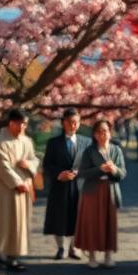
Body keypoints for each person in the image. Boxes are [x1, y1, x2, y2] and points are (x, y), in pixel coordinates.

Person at [0, 109, 39, 272]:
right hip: (6, 190)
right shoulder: (0, 142)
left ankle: (10, 255)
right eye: (20, 123)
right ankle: (1, 253)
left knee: (19, 223)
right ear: (11, 123)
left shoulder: (27, 141)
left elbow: (34, 159)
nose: (23, 127)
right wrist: (17, 183)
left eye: (25, 124)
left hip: (24, 188)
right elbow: (2, 167)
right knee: (5, 222)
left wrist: (29, 165)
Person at [74, 119, 126, 269]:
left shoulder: (116, 150)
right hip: (92, 192)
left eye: (106, 131)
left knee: (109, 223)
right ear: (95, 135)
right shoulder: (89, 151)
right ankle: (91, 256)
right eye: (100, 132)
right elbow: (82, 173)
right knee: (92, 223)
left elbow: (123, 173)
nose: (103, 134)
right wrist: (100, 169)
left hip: (110, 190)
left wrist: (114, 170)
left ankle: (108, 256)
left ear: (110, 133)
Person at [42, 108, 89, 260]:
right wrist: (58, 174)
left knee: (78, 217)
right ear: (63, 123)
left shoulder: (86, 142)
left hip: (79, 186)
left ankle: (74, 247)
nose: (72, 125)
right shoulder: (53, 143)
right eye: (69, 122)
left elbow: (91, 164)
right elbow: (47, 164)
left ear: (80, 124)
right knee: (58, 217)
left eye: (76, 122)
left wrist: (79, 173)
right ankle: (61, 247)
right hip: (59, 186)